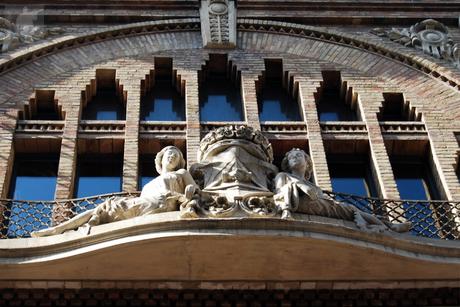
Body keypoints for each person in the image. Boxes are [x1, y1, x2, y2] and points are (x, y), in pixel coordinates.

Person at [31, 146, 199, 237]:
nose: (172, 156)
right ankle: (58, 229)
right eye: (169, 153)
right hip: (145, 207)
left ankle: (59, 230)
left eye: (176, 155)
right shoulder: (149, 184)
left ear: (180, 162)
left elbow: (197, 191)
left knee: (104, 209)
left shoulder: (181, 173)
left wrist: (190, 191)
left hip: (164, 203)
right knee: (102, 208)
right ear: (161, 158)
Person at [274, 148, 411, 233]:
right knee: (351, 210)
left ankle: (390, 227)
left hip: (319, 206)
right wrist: (286, 209)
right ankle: (389, 227)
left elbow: (319, 197)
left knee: (351, 209)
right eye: (291, 157)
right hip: (300, 204)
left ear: (307, 163)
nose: (294, 158)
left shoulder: (313, 186)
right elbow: (280, 193)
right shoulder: (283, 176)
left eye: (298, 156)